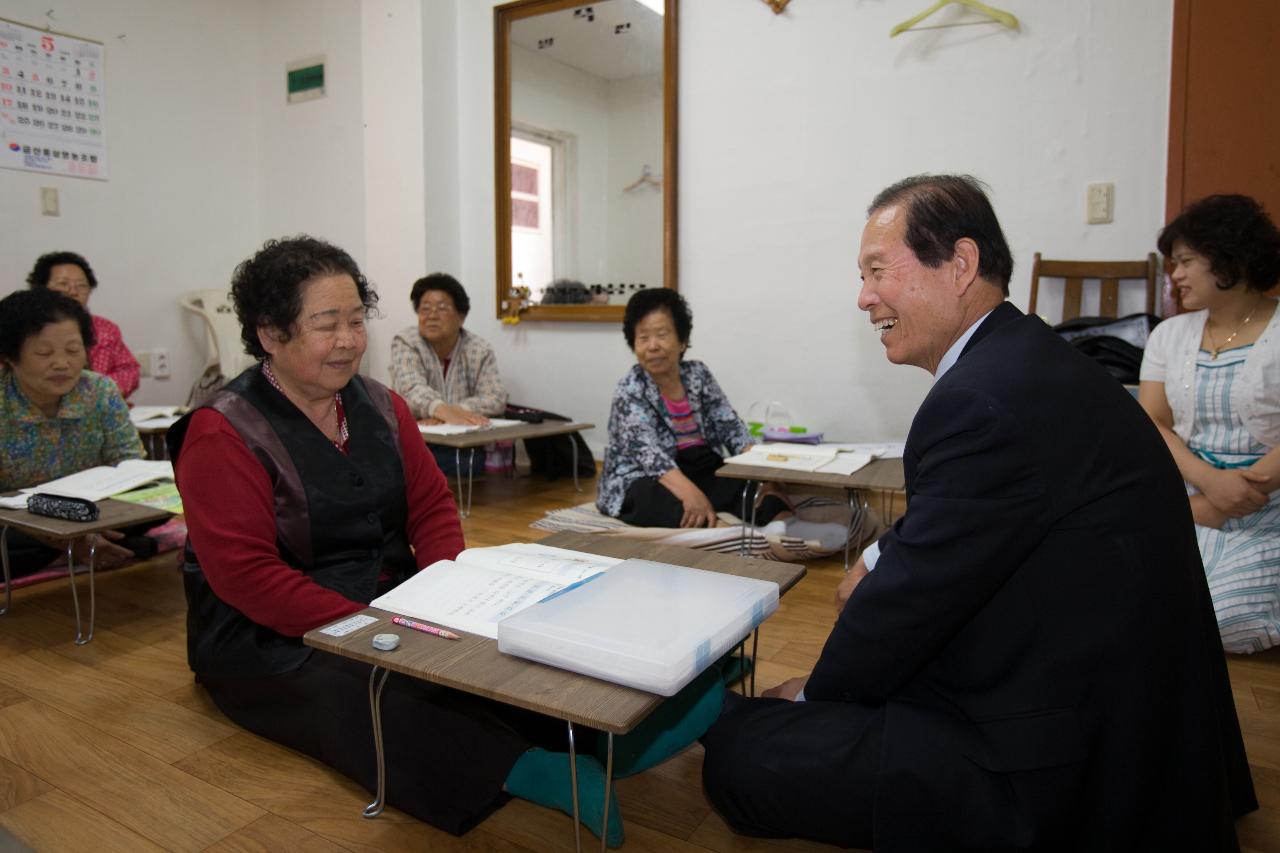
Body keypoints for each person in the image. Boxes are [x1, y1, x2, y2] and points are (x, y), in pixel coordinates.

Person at [701, 175, 1256, 851]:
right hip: (1125, 703)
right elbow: (972, 516)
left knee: (745, 753)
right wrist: (879, 554)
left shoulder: (982, 400)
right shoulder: (1025, 360)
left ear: (959, 265)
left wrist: (815, 694)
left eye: (878, 271)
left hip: (1064, 751)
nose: (863, 296)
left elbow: (908, 605)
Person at [168, 237, 719, 847]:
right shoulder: (224, 430)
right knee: (369, 687)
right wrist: (369, 622)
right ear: (270, 333)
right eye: (328, 325)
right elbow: (244, 574)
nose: (350, 339)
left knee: (489, 641)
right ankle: (538, 770)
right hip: (270, 630)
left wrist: (445, 590)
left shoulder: (379, 404)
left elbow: (430, 505)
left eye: (357, 320)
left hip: (390, 592)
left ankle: (607, 733)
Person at [1139, 194, 1280, 654]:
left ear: (1227, 257)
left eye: (1185, 261)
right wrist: (1209, 487)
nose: (1174, 275)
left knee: (1216, 615)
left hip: (1267, 504)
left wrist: (1242, 491)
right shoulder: (1169, 335)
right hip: (1191, 496)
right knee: (1123, 589)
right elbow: (1153, 422)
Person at [597, 288, 787, 528]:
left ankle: (786, 527)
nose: (652, 346)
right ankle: (719, 532)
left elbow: (730, 427)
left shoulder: (698, 374)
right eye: (643, 337)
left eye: (662, 334)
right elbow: (650, 458)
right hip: (643, 474)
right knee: (653, 500)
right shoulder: (629, 389)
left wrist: (764, 471)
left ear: (682, 340)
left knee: (752, 489)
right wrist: (691, 495)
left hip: (697, 466)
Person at [0, 289, 145, 574]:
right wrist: (61, 538)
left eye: (72, 350)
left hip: (95, 512)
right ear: (11, 358)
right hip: (19, 522)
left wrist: (89, 526)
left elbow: (130, 465)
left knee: (151, 513)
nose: (62, 363)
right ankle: (77, 551)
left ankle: (75, 550)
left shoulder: (100, 391)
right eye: (44, 353)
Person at [389, 273, 508, 476]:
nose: (431, 315)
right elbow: (410, 389)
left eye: (442, 308)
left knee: (466, 461)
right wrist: (441, 410)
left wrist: (452, 412)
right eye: (424, 308)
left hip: (460, 439)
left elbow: (495, 397)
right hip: (417, 437)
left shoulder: (479, 348)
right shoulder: (406, 342)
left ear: (461, 317)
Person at [27, 251, 140, 400]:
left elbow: (128, 370)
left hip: (100, 408)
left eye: (81, 285)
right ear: (40, 289)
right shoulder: (26, 329)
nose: (73, 291)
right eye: (63, 284)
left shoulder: (105, 329)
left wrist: (97, 393)